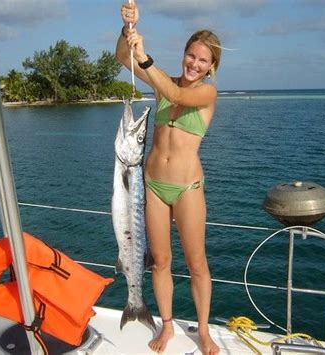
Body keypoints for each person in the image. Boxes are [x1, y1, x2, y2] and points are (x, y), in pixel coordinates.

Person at [116, 2, 222, 355]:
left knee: (197, 264)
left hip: (187, 188)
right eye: (191, 55)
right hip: (153, 187)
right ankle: (166, 325)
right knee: (160, 262)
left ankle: (204, 331)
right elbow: (123, 59)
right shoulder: (164, 85)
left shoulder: (206, 94)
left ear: (212, 67)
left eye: (202, 60)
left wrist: (145, 58)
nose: (194, 63)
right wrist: (127, 29)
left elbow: (178, 95)